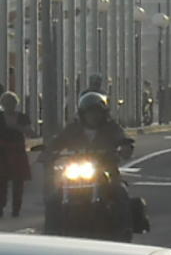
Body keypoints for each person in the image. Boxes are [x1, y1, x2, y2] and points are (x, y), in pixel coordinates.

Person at [46, 92, 133, 238]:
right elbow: (59, 141)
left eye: (97, 112)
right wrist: (49, 151)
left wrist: (125, 147)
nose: (93, 116)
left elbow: (123, 138)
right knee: (54, 197)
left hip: (106, 171)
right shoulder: (73, 129)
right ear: (82, 114)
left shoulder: (111, 128)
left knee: (120, 192)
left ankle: (124, 229)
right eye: (89, 112)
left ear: (103, 113)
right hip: (76, 171)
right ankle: (50, 233)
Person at [0, 105, 31, 218]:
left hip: (18, 151)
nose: (9, 105)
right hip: (2, 152)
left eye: (11, 102)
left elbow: (30, 132)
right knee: (1, 182)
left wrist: (17, 127)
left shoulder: (22, 117)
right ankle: (0, 207)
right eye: (7, 102)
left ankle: (16, 209)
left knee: (18, 183)